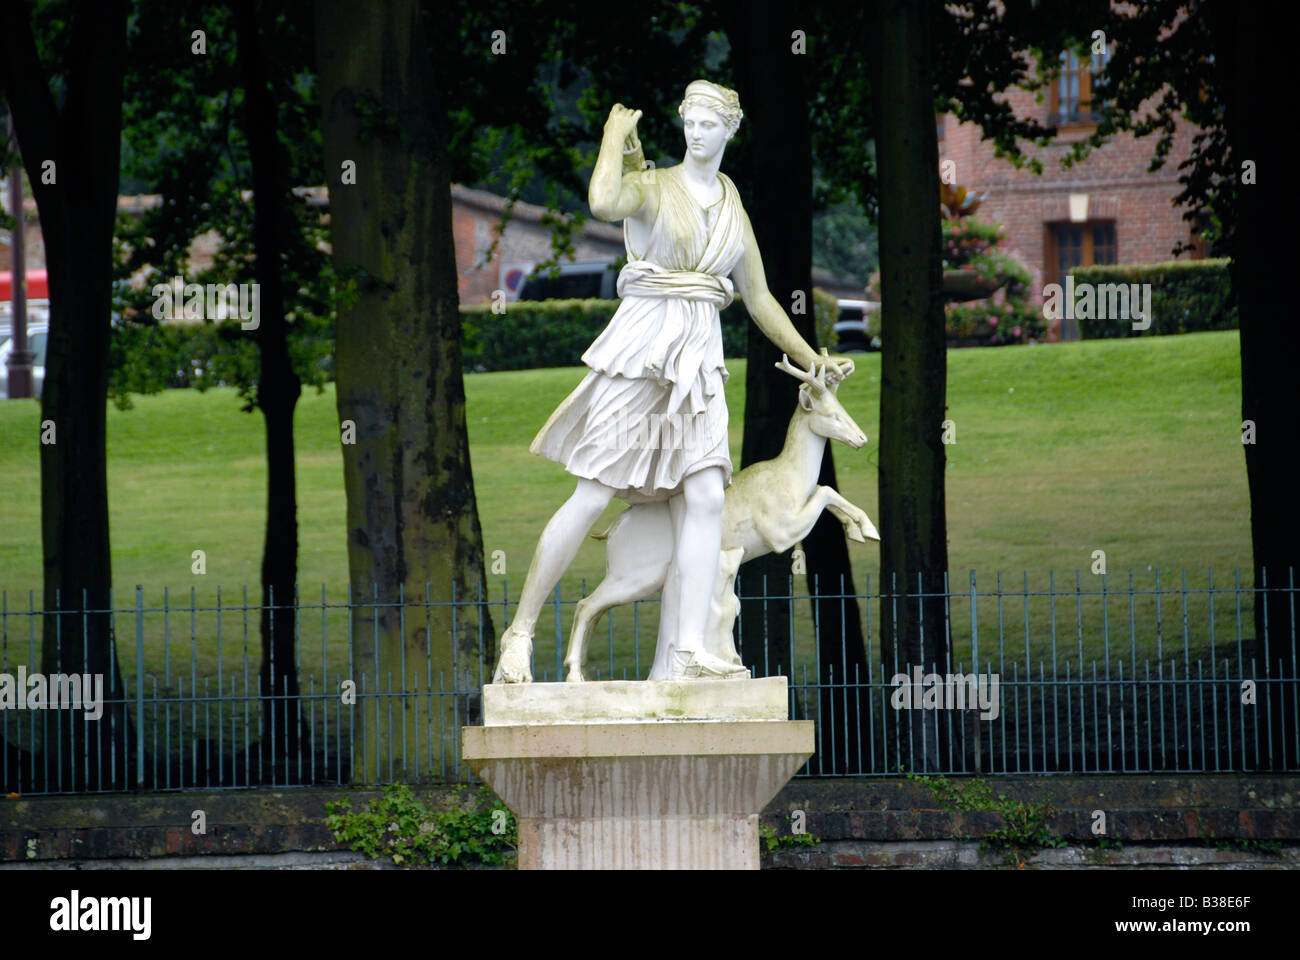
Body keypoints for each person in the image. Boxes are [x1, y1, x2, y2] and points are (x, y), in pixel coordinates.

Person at [492, 79, 853, 683]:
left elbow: (761, 299)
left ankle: (686, 651)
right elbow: (605, 203)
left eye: (709, 123)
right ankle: (520, 633)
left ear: (729, 130)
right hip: (642, 353)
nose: (696, 132)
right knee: (590, 496)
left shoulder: (733, 207)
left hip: (699, 364)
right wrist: (612, 138)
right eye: (689, 120)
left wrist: (813, 359)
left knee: (707, 496)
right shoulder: (655, 186)